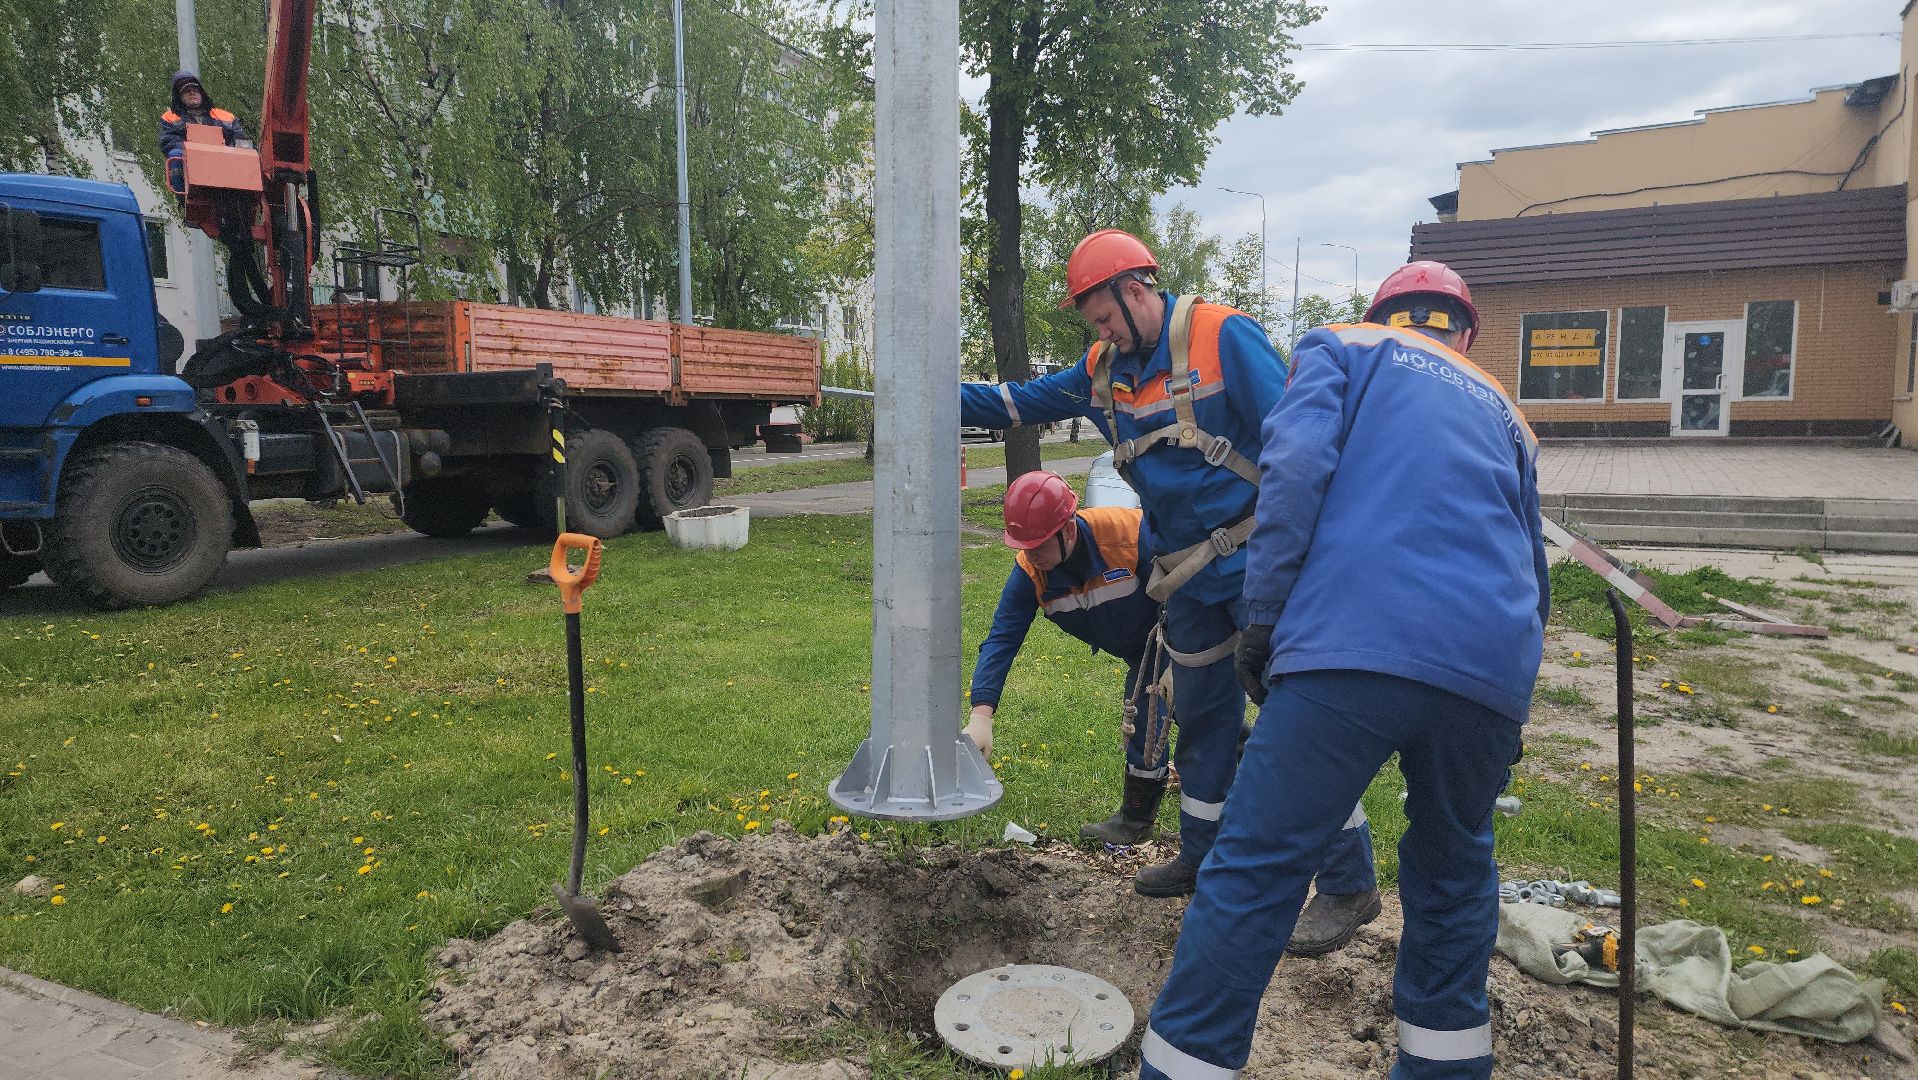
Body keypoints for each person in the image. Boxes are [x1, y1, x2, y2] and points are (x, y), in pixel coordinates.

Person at [1138, 261, 1551, 1080]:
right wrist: (1509, 709)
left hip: (1354, 644)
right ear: (1465, 334)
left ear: (1382, 313)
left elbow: (1293, 474)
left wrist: (1263, 617)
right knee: (1457, 868)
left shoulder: (1342, 346)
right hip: (1489, 666)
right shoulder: (1507, 410)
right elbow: (1532, 568)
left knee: (1256, 868)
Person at [961, 231, 1377, 946]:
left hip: (1256, 569)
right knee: (1204, 721)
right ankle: (1200, 853)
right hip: (1184, 581)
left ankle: (1348, 883)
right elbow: (1016, 403)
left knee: (1300, 723)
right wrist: (925, 395)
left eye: (1105, 318)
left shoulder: (1224, 337)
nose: (1103, 334)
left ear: (1137, 288)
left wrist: (1305, 566)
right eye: (1094, 325)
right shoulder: (1102, 376)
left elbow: (1302, 442)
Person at [966, 470, 1167, 845]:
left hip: (1173, 634)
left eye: (1039, 543)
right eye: (1023, 544)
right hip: (1137, 646)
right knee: (1184, 711)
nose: (1031, 553)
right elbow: (1002, 639)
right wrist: (981, 714)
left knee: (1162, 707)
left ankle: (1142, 821)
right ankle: (1142, 819)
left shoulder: (1127, 534)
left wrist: (1185, 647)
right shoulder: (1031, 573)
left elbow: (1184, 583)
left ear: (1069, 528)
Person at [159, 71, 248, 197]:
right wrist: (193, 152)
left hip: (224, 163)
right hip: (191, 164)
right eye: (186, 90)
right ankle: (183, 196)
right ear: (179, 97)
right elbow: (169, 142)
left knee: (246, 154)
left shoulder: (225, 116)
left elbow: (238, 138)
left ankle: (241, 195)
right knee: (175, 155)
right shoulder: (169, 118)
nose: (192, 93)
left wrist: (227, 152)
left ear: (201, 93)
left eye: (195, 89)